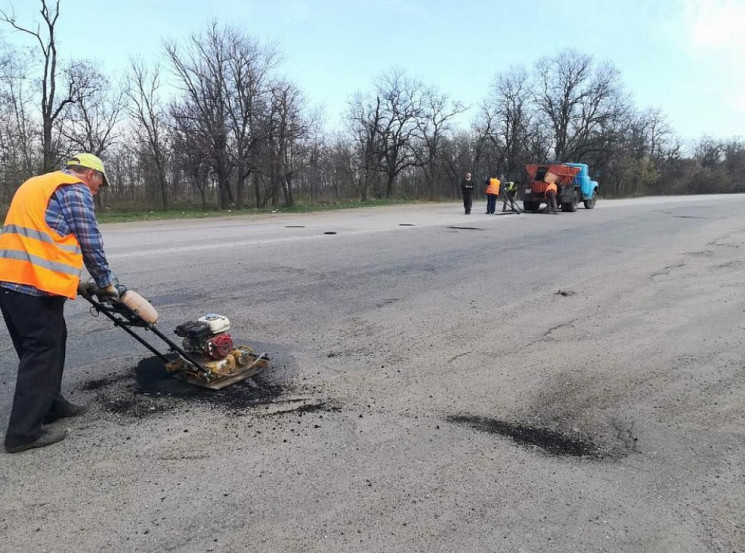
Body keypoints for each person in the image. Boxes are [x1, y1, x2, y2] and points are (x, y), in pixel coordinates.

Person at [0, 153, 119, 453]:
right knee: (42, 350)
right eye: (99, 184)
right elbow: (89, 239)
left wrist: (76, 283)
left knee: (50, 342)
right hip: (30, 286)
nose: (97, 191)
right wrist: (106, 283)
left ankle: (50, 404)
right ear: (90, 174)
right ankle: (23, 434)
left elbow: (43, 239)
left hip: (13, 281)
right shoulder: (73, 188)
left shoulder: (38, 183)